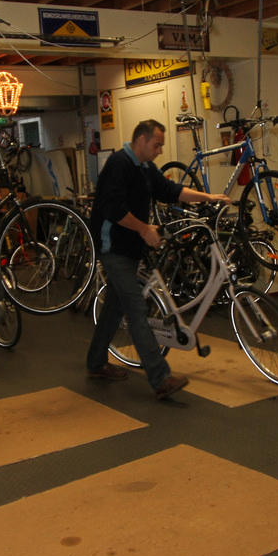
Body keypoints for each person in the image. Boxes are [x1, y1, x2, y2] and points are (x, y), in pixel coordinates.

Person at [85, 119, 232, 398]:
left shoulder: (144, 167)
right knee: (136, 308)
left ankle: (95, 363)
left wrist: (209, 197)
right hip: (113, 247)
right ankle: (160, 378)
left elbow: (170, 190)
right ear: (141, 141)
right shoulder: (119, 164)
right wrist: (144, 229)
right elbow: (113, 209)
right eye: (157, 145)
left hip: (129, 249)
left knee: (114, 307)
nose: (160, 151)